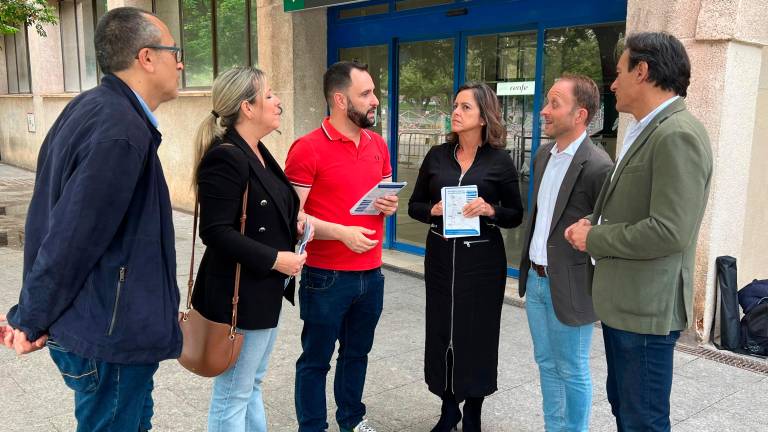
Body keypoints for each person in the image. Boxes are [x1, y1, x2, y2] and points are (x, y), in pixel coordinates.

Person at [0, 7, 184, 431]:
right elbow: (70, 238)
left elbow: (53, 218)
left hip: (107, 325)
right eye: (173, 51)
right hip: (109, 337)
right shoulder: (121, 130)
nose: (179, 63)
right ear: (146, 57)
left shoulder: (93, 108)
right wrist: (29, 318)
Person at [565, 32, 713, 431]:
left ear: (642, 72)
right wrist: (594, 223)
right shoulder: (650, 129)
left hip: (646, 312)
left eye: (618, 72)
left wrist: (594, 238)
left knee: (642, 421)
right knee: (628, 412)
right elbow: (635, 208)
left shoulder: (676, 134)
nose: (612, 84)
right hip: (628, 307)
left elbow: (669, 230)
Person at [191, 66, 307, 431]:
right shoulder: (225, 156)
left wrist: (296, 226)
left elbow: (266, 208)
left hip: (263, 291)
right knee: (233, 393)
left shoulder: (258, 151)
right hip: (238, 295)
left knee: (249, 385)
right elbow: (215, 231)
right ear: (247, 107)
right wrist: (275, 258)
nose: (277, 102)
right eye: (269, 95)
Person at [285, 61, 398, 432]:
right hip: (325, 276)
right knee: (316, 361)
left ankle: (352, 420)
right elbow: (294, 219)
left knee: (356, 355)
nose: (375, 100)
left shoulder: (377, 144)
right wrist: (342, 233)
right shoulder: (306, 148)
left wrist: (388, 204)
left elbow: (386, 194)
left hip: (371, 275)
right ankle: (312, 427)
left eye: (373, 92)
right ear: (338, 99)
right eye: (365, 94)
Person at [407, 82, 524, 432]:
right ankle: (448, 407)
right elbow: (413, 206)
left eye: (465, 107)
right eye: (455, 106)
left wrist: (490, 209)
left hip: (483, 261)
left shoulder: (499, 161)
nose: (456, 112)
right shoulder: (436, 156)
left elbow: (515, 214)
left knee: (479, 333)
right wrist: (434, 209)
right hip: (441, 256)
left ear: (484, 116)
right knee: (442, 330)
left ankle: (473, 408)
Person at [518, 74, 613, 431]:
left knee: (572, 368)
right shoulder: (543, 155)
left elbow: (607, 227)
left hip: (571, 286)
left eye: (554, 103)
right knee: (546, 363)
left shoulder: (599, 166)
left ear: (580, 114)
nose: (544, 110)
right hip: (537, 282)